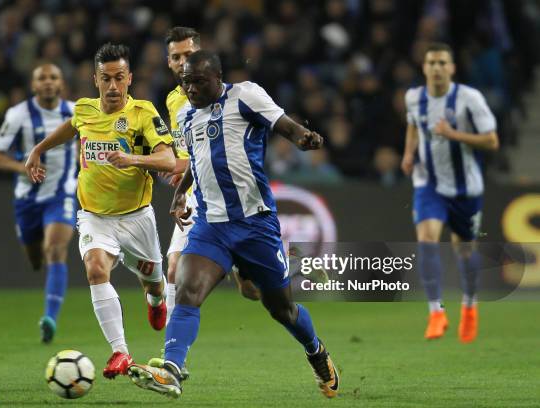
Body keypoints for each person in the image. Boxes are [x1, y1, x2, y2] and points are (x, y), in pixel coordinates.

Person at [128, 50, 339, 399]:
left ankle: (316, 351)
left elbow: (284, 125)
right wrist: (181, 194)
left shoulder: (245, 95)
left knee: (280, 308)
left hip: (255, 225)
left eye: (198, 81)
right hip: (212, 225)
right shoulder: (186, 116)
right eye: (186, 82)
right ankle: (171, 369)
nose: (191, 88)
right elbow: (197, 163)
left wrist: (304, 138)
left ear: (217, 78)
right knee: (187, 291)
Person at [25, 44, 176, 378]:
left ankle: (156, 299)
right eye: (105, 79)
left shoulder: (143, 113)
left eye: (119, 78)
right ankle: (120, 352)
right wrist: (38, 149)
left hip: (137, 217)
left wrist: (133, 159)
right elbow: (71, 127)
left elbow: (168, 160)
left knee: (152, 283)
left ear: (129, 79)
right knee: (95, 269)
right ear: (95, 80)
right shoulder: (84, 110)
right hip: (94, 215)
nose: (112, 86)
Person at [161, 26, 261, 325]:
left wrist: (169, 166)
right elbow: (189, 152)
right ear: (168, 62)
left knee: (252, 290)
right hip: (196, 196)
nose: (182, 62)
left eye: (188, 55)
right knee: (173, 268)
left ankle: (256, 266)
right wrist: (180, 172)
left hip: (230, 198)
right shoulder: (172, 101)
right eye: (176, 57)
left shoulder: (222, 97)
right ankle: (171, 356)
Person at [400, 43, 499, 343]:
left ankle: (469, 307)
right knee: (427, 239)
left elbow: (492, 141)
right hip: (429, 183)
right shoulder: (414, 97)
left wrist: (453, 134)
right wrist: (408, 153)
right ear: (424, 67)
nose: (437, 68)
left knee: (464, 250)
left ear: (452, 68)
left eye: (443, 62)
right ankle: (436, 312)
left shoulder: (470, 99)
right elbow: (413, 125)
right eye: (431, 63)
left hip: (465, 189)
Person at [0, 64, 76, 343]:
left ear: (61, 84)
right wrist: (21, 168)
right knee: (36, 258)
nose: (48, 82)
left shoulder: (76, 112)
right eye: (42, 78)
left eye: (53, 77)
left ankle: (50, 317)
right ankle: (36, 257)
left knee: (55, 248)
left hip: (62, 193)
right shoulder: (18, 115)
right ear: (33, 86)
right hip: (27, 199)